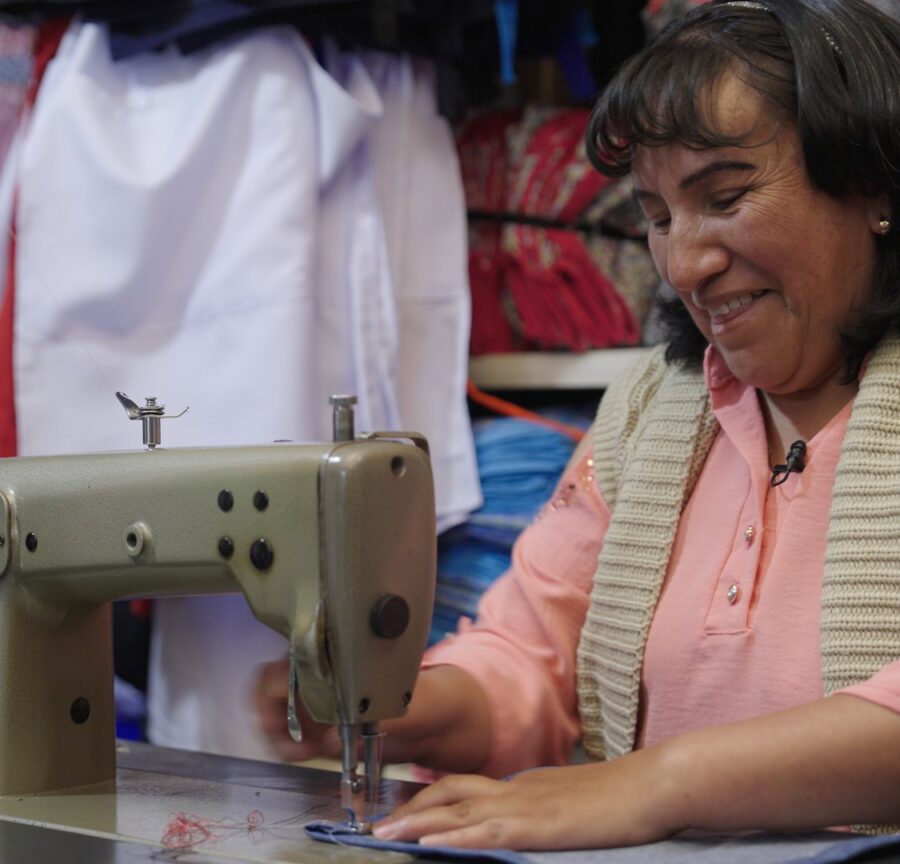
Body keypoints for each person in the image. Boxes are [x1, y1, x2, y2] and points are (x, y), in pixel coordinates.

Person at [255, 0, 900, 850]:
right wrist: (396, 707)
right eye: (660, 217)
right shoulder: (650, 413)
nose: (685, 264)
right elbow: (535, 649)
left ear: (873, 187)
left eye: (728, 196)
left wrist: (653, 785)